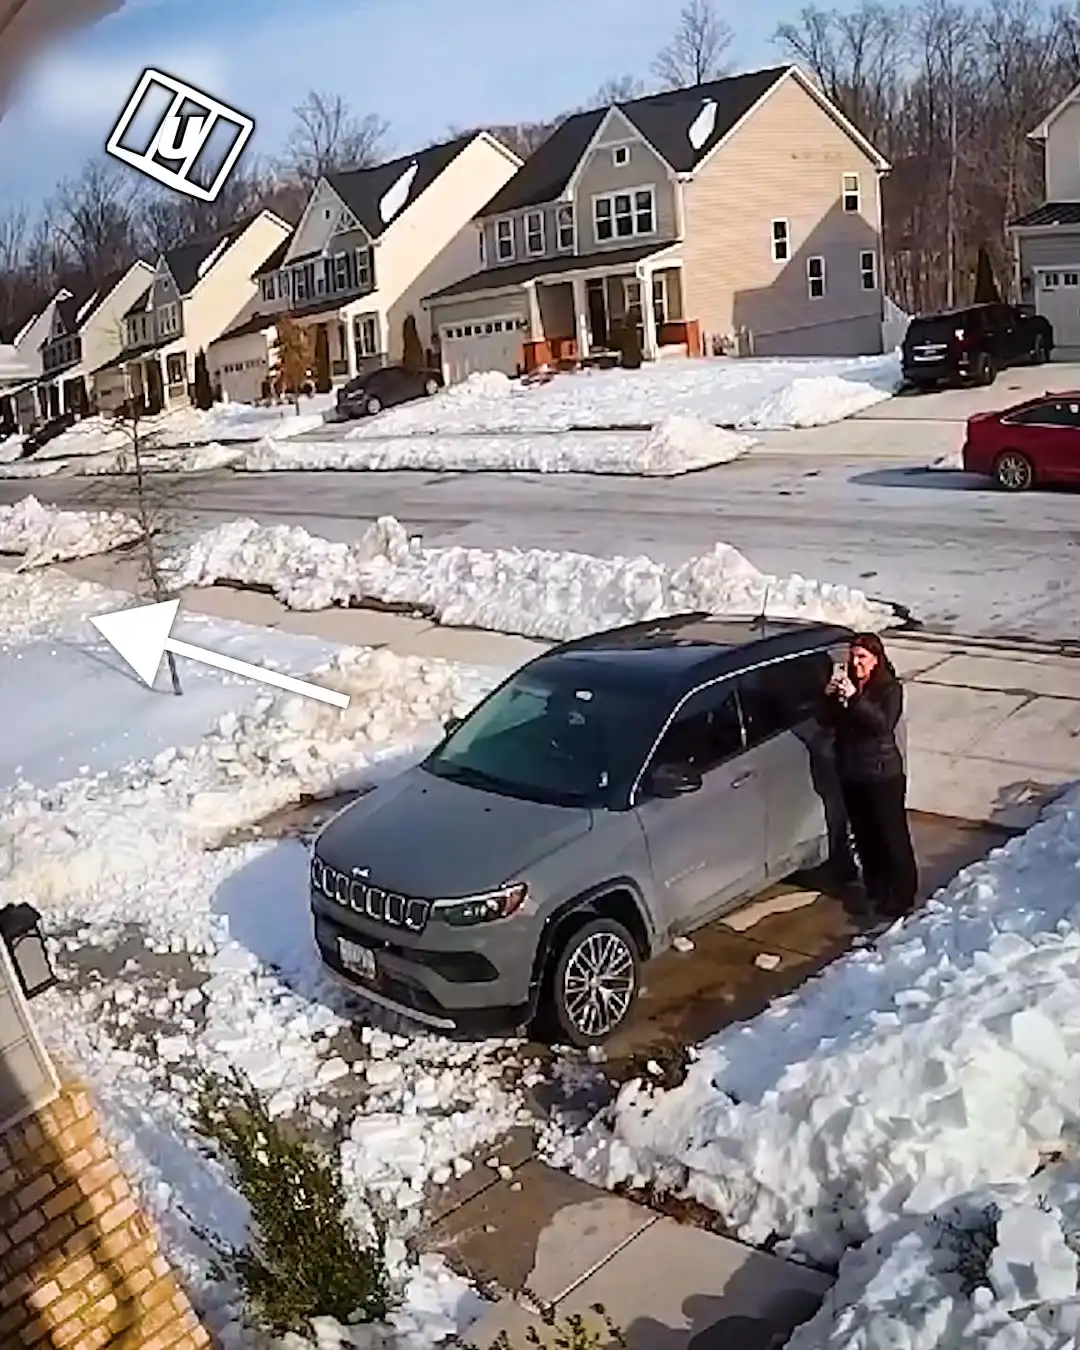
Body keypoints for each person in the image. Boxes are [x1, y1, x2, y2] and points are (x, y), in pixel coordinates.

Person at [821, 632, 918, 917]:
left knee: (891, 835)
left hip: (882, 775)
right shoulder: (848, 685)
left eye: (862, 657)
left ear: (876, 660)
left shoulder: (889, 689)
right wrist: (830, 698)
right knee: (865, 834)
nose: (856, 662)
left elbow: (881, 724)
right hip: (853, 772)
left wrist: (856, 699)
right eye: (853, 656)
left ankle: (901, 894)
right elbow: (828, 722)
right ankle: (876, 886)